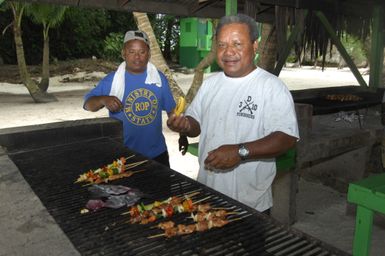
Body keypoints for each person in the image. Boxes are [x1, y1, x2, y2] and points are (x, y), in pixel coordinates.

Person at [167, 14, 299, 214]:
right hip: (208, 191)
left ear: (254, 46)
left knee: (252, 246)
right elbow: (195, 125)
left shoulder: (272, 87)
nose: (228, 52)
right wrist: (185, 126)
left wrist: (240, 152)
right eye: (221, 45)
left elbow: (287, 138)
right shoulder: (210, 84)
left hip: (251, 201)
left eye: (237, 44)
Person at [83, 30, 176, 167]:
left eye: (142, 52)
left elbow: (172, 111)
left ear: (149, 54)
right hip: (123, 155)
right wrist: (103, 99)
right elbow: (87, 104)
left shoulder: (158, 79)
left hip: (157, 153)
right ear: (123, 53)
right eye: (132, 51)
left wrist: (182, 132)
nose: (137, 57)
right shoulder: (112, 80)